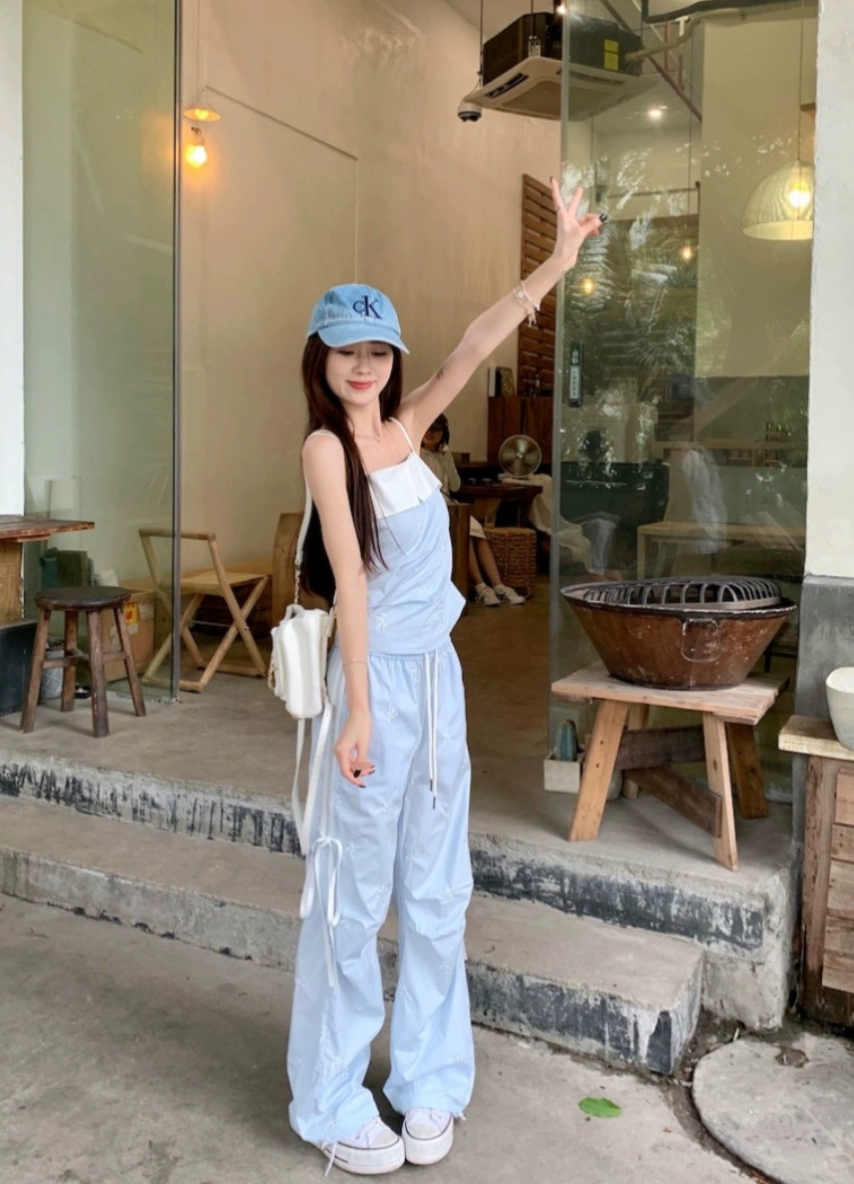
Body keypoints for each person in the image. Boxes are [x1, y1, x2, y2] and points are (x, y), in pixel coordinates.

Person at [287, 182, 603, 1176]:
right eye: (347, 351)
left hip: (439, 682)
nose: (365, 367)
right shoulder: (326, 449)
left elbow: (476, 339)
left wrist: (559, 259)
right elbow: (349, 581)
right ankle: (331, 1098)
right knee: (349, 894)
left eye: (378, 351)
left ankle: (430, 1080)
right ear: (321, 359)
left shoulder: (413, 425)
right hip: (372, 683)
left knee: (435, 890)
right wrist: (359, 712)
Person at [420, 414, 527, 606]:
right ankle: (480, 587)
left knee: (478, 532)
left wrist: (446, 460)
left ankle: (498, 586)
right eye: (427, 428)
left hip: (451, 506)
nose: (430, 433)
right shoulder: (417, 455)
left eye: (435, 430)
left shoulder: (443, 454)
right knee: (466, 532)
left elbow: (455, 485)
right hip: (431, 510)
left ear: (443, 433)